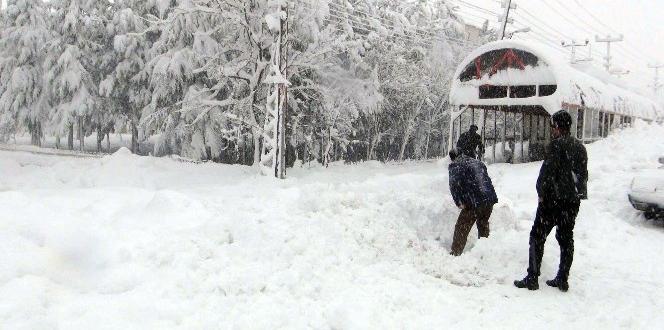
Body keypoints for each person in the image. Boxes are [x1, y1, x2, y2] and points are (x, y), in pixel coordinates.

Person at [514, 110, 588, 292]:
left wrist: (541, 193)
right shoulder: (580, 147)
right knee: (566, 238)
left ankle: (532, 277)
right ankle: (563, 279)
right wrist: (577, 195)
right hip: (571, 202)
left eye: (552, 126)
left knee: (537, 236)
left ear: (557, 126)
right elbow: (583, 176)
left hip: (552, 201)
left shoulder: (556, 145)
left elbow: (547, 173)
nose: (551, 129)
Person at [448, 149, 499, 256]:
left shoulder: (455, 165)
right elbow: (485, 180)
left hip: (474, 202)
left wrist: (459, 202)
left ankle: (455, 253)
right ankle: (485, 252)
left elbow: (454, 186)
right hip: (489, 199)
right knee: (483, 223)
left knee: (462, 226)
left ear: (452, 158)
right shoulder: (478, 162)